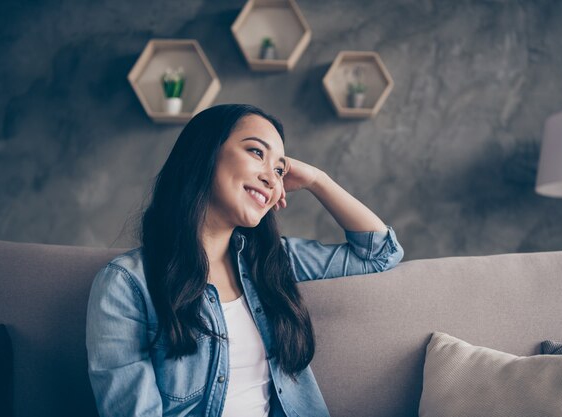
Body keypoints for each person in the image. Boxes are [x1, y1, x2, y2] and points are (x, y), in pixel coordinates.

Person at [86, 104, 404, 417]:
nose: (272, 178)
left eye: (280, 170)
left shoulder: (271, 261)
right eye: (256, 152)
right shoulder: (125, 284)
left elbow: (380, 254)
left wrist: (316, 179)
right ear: (205, 153)